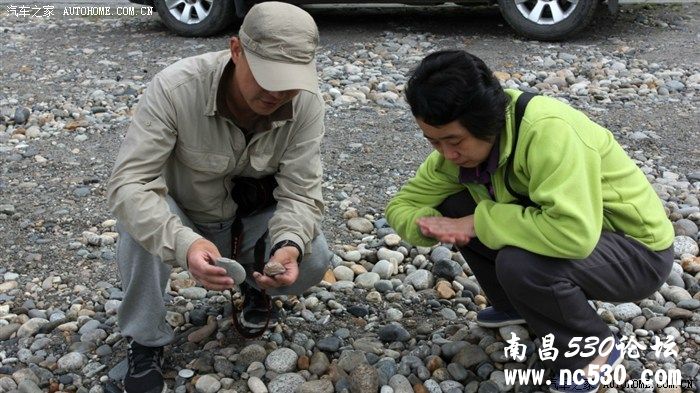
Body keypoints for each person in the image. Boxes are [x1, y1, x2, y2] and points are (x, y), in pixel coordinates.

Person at [386, 50, 674, 393]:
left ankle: (592, 352)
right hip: (585, 241)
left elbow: (573, 234)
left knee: (520, 263)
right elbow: (403, 204)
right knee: (453, 204)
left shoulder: (547, 132)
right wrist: (429, 224)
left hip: (636, 252)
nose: (447, 154)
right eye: (433, 141)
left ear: (486, 121)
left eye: (454, 141)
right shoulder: (456, 155)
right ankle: (515, 305)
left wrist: (477, 222)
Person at [107, 3, 332, 392]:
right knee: (139, 215)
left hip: (251, 221)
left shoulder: (307, 104)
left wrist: (289, 246)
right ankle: (144, 338)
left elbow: (301, 194)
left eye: (290, 80)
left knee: (316, 259)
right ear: (236, 50)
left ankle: (256, 286)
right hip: (188, 220)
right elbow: (129, 183)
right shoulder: (175, 88)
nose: (278, 92)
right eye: (267, 76)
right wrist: (184, 242)